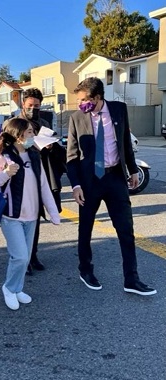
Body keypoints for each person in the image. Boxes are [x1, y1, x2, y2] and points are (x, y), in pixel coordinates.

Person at [66, 77, 156, 296]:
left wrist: (133, 170)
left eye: (84, 100)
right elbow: (72, 154)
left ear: (97, 97)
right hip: (89, 181)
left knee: (126, 230)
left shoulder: (118, 110)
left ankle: (131, 279)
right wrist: (76, 185)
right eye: (78, 101)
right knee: (85, 228)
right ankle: (85, 270)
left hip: (115, 177)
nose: (81, 104)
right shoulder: (77, 118)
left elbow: (125, 142)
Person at [0, 118, 60, 310]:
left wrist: (52, 211)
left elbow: (43, 184)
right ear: (18, 136)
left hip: (32, 216)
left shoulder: (34, 155)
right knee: (20, 257)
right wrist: (6, 174)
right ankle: (9, 288)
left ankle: (17, 289)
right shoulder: (4, 156)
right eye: (30, 133)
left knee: (23, 257)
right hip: (12, 216)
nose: (33, 136)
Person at [3, 88, 52, 274]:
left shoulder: (44, 122)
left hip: (38, 172)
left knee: (34, 216)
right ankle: (20, 257)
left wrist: (49, 147)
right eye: (30, 105)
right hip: (16, 176)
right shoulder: (12, 123)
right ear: (23, 104)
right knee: (17, 217)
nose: (33, 108)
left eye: (37, 105)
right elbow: (4, 146)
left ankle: (32, 255)